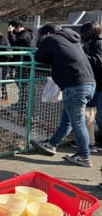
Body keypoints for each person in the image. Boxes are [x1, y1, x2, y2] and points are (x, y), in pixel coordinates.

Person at [31, 24, 96, 167]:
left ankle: (85, 156)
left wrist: (43, 44)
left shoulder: (52, 39)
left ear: (47, 34)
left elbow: (39, 57)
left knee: (77, 123)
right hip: (89, 83)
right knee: (68, 120)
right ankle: (52, 144)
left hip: (75, 86)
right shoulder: (73, 39)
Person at [69, 21, 102, 152]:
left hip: (98, 82)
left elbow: (98, 61)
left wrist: (82, 56)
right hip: (96, 82)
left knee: (96, 114)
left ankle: (93, 141)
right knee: (92, 112)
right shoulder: (93, 43)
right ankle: (91, 139)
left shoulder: (98, 43)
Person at [7, 20, 34, 109]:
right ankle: (21, 103)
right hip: (20, 63)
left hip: (24, 64)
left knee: (22, 84)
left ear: (17, 26)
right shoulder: (22, 34)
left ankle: (23, 104)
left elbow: (14, 44)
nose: (12, 30)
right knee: (20, 83)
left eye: (12, 27)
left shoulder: (24, 35)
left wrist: (10, 33)